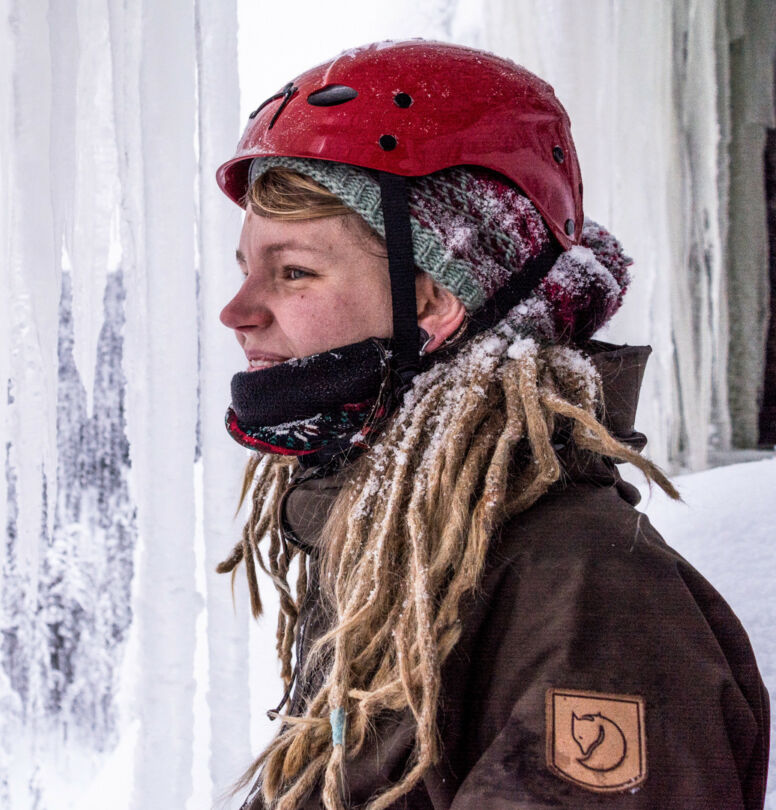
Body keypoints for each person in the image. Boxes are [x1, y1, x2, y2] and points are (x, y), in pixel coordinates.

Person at [214, 40, 769, 809]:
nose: (237, 312)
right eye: (246, 268)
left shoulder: (584, 592)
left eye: (293, 271)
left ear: (437, 302)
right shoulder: (409, 542)